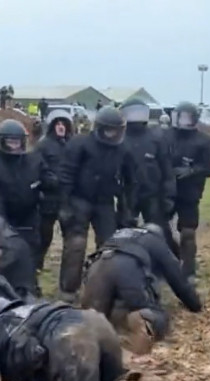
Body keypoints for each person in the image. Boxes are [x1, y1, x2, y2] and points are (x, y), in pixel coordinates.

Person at [57, 106, 139, 302]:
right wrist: (64, 205)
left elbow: (131, 181)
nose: (113, 134)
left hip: (105, 201)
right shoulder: (80, 144)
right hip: (79, 199)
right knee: (76, 244)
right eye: (109, 130)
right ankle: (68, 290)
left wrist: (126, 209)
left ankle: (102, 286)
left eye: (117, 130)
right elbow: (66, 175)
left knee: (109, 247)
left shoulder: (123, 148)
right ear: (100, 128)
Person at [80, 224, 202, 354]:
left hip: (97, 267)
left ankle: (87, 336)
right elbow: (177, 279)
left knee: (91, 320)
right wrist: (195, 304)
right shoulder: (154, 240)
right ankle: (144, 320)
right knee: (153, 314)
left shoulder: (120, 234)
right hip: (127, 268)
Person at [0, 119, 48, 259]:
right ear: (2, 141)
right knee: (3, 257)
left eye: (17, 142)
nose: (15, 146)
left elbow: (47, 179)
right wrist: (2, 228)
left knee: (30, 256)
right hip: (3, 219)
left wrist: (48, 184)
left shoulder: (32, 160)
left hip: (29, 218)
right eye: (11, 142)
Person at [166, 101, 210, 281]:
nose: (183, 121)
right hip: (166, 190)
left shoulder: (204, 141)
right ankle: (171, 259)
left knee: (188, 232)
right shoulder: (163, 136)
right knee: (159, 229)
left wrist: (192, 170)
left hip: (189, 192)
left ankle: (188, 272)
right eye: (180, 117)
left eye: (187, 117)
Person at [121, 97, 176, 253]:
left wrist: (169, 197)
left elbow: (167, 170)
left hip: (153, 194)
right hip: (127, 195)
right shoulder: (120, 138)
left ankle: (170, 265)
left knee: (160, 234)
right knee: (124, 233)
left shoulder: (156, 138)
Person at [34, 109, 74, 269]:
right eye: (57, 124)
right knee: (44, 234)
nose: (61, 127)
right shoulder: (43, 145)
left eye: (63, 123)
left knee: (70, 235)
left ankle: (69, 266)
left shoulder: (73, 144)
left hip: (68, 197)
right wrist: (50, 180)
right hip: (49, 197)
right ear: (52, 126)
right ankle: (37, 263)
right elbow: (36, 167)